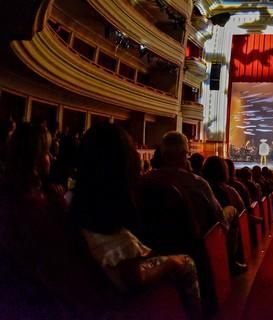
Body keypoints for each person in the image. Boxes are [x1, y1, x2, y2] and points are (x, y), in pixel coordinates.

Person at [70, 124, 202, 319]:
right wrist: (170, 264)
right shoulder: (118, 236)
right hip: (127, 297)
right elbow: (134, 277)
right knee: (187, 263)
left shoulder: (73, 201)